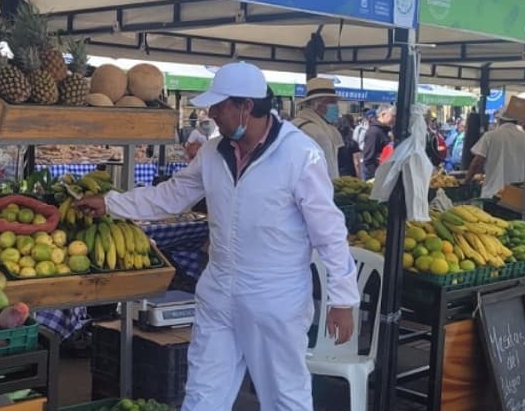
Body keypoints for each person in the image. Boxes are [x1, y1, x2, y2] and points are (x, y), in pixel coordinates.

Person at [74, 62, 357, 411]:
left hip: (275, 295)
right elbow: (172, 195)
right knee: (203, 393)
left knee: (285, 396)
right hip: (219, 288)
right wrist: (111, 203)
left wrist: (343, 300)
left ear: (246, 107)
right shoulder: (212, 151)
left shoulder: (299, 154)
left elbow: (328, 231)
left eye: (219, 106)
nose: (211, 113)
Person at [465, 113, 525, 198]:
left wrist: (467, 180)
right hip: (519, 196)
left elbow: (477, 162)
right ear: (516, 121)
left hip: (493, 194)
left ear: (499, 120)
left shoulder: (490, 136)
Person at [292, 77, 345, 179]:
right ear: (319, 104)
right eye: (332, 102)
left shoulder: (294, 124)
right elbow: (330, 173)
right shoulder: (319, 134)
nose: (336, 106)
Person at [361, 104, 395, 179]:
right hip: (375, 175)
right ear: (383, 114)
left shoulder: (386, 130)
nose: (394, 119)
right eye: (393, 116)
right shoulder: (374, 132)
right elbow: (369, 158)